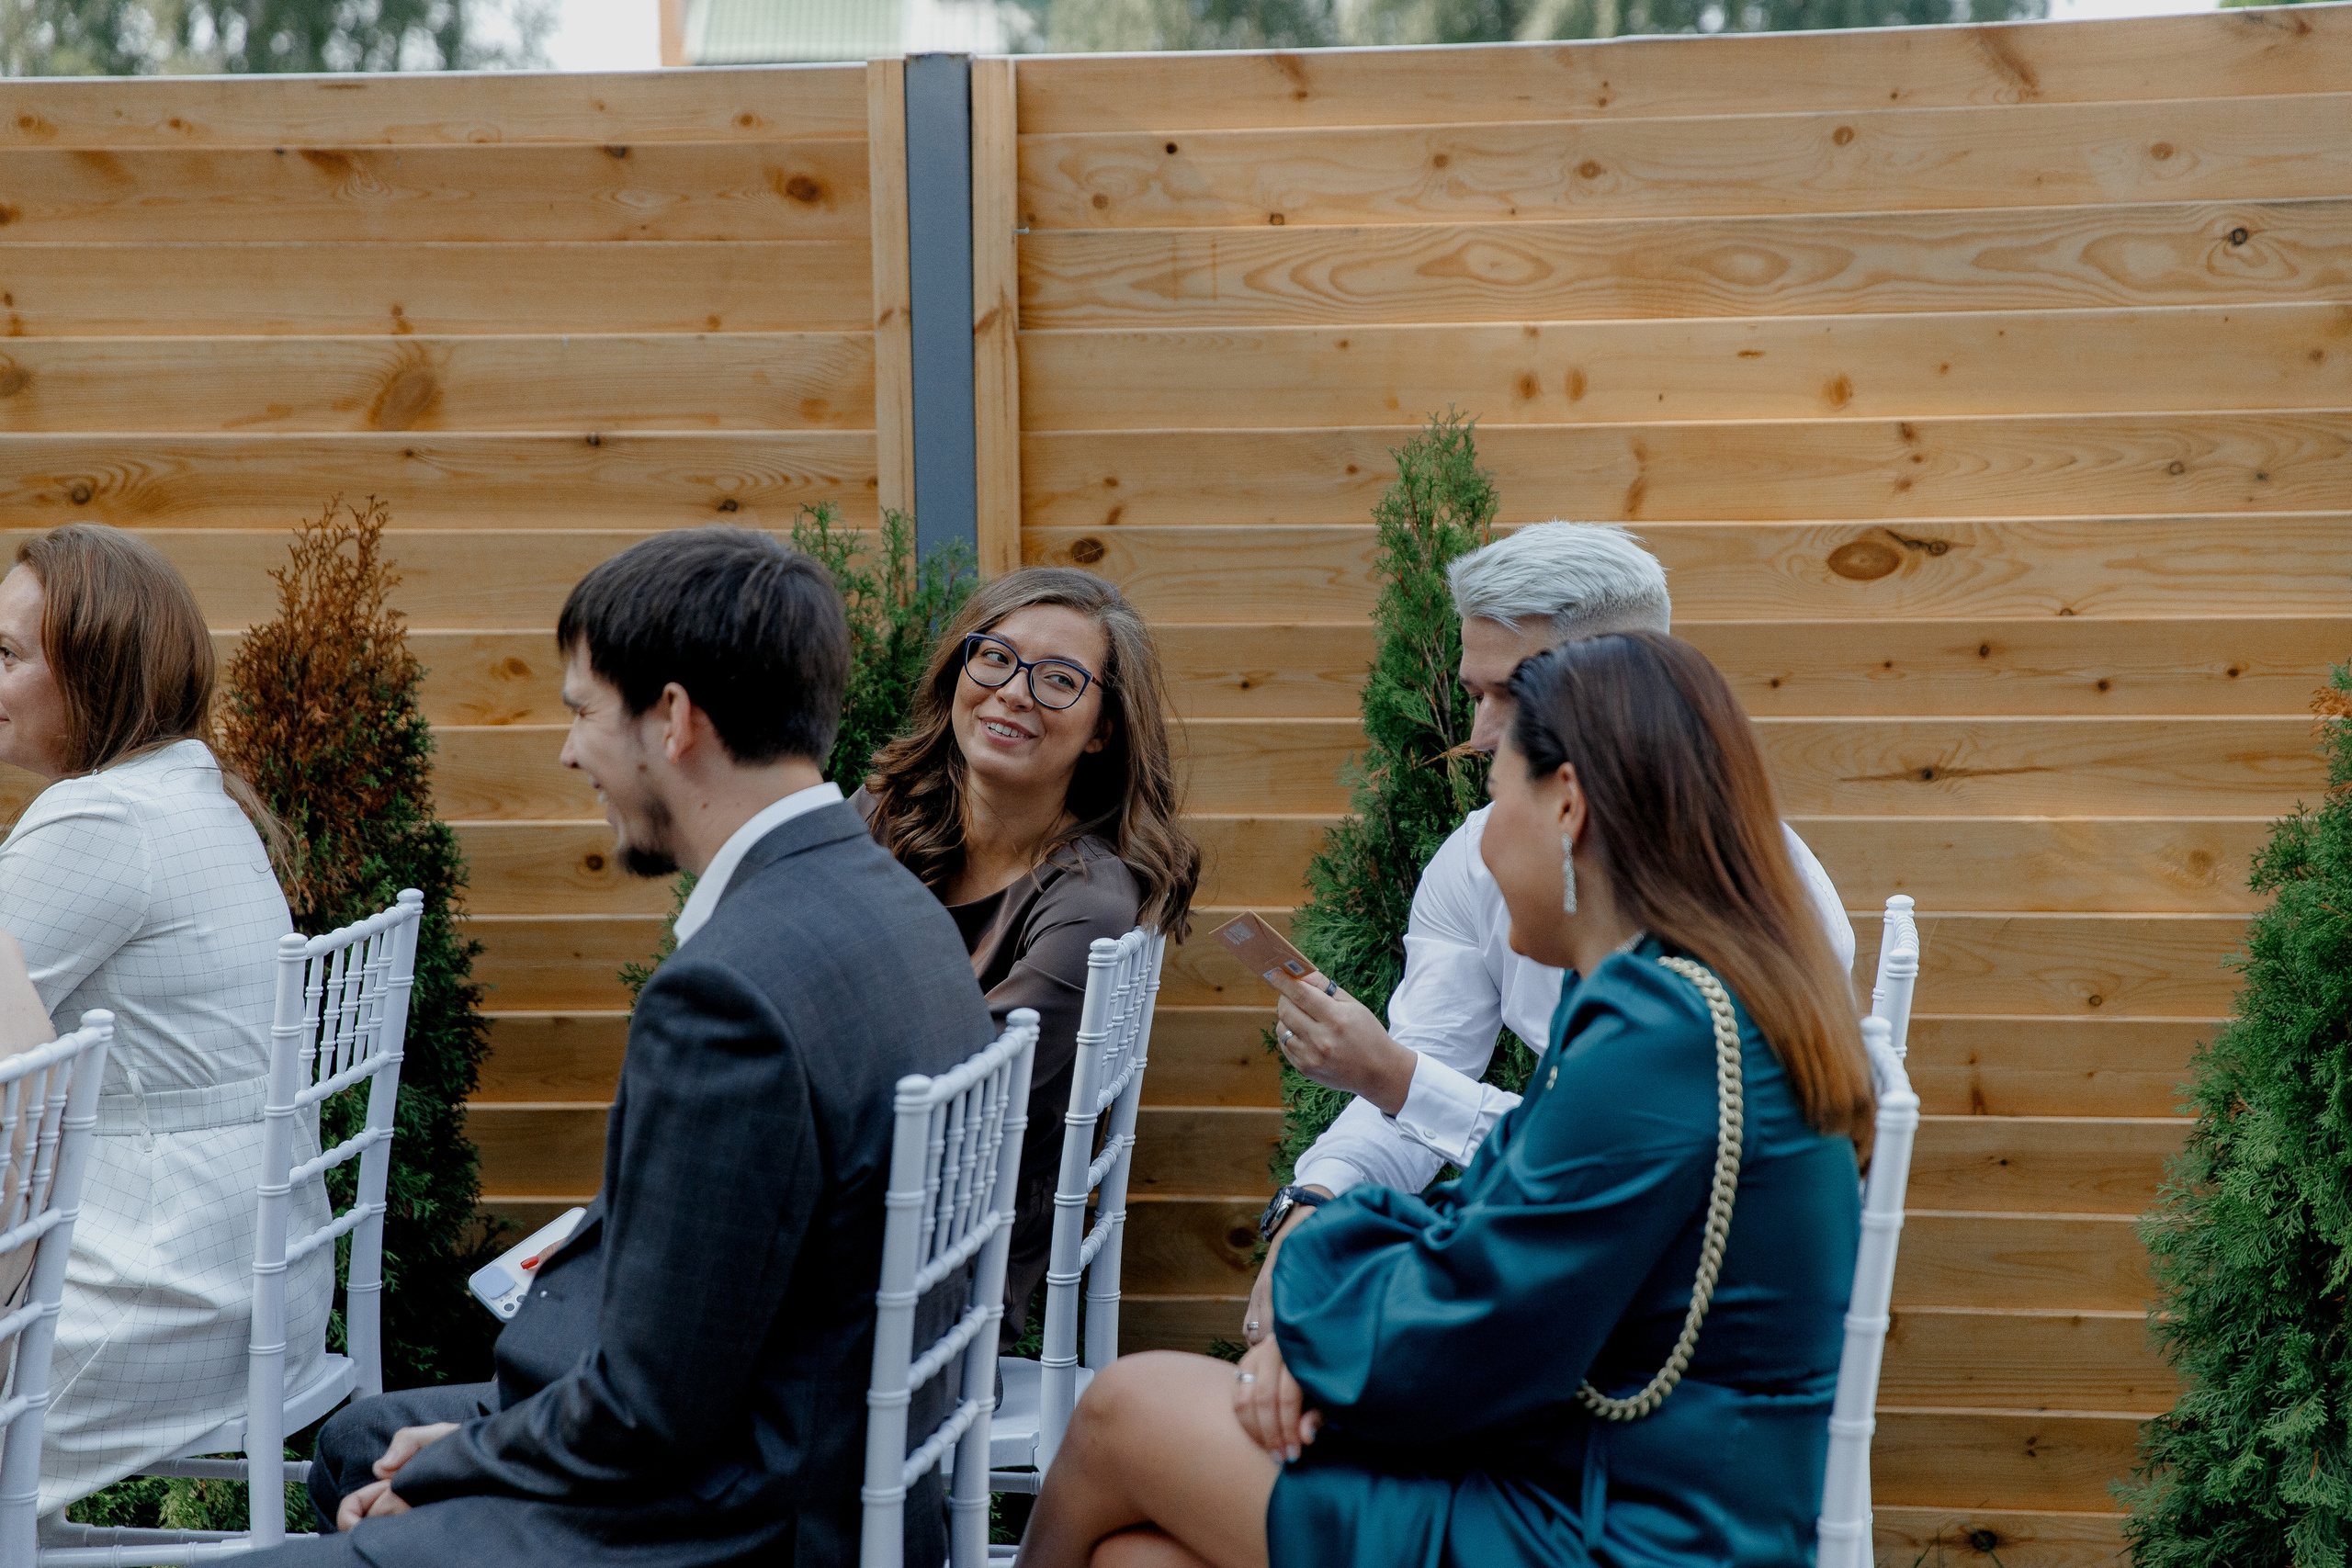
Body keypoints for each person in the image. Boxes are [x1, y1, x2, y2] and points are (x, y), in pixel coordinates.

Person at [1015, 630, 1873, 1568]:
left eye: (1494, 797)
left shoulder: (1661, 1034)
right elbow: (1480, 1231)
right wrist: (1323, 1300)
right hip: (1592, 1481)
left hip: (1632, 1530)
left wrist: (1304, 1323)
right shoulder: (1683, 1000)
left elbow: (1475, 1334)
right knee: (1137, 1561)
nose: (1480, 839)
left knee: (1123, 1409)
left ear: (1568, 806)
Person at [251, 527, 997, 1566]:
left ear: (674, 719)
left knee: (377, 1476)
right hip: (821, 1456)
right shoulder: (893, 908)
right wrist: (459, 1450)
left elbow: (650, 1414)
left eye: (582, 712)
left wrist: (460, 1461)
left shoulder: (727, 993)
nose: (568, 753)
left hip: (727, 1520)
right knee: (356, 1444)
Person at [1242, 522, 1856, 1347]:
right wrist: (1316, 1203)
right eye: (1475, 693)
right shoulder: (1478, 860)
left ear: (1624, 690)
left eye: (1517, 692)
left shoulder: (1745, 938)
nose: (1482, 734)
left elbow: (1602, 1160)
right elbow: (1539, 1154)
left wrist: (1395, 1080)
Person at [0, 525, 331, 1515]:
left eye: (8, 656)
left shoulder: (101, 823)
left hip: (157, 1296)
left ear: (97, 679)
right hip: (253, 1283)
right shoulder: (189, 796)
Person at [855, 568, 1198, 1341]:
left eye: (1059, 679)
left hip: (933, 1271)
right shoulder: (885, 815)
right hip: (834, 1201)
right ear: (960, 670)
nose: (1013, 691)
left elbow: (968, 1109)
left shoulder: (1089, 901)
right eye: (996, 658)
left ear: (1103, 726)